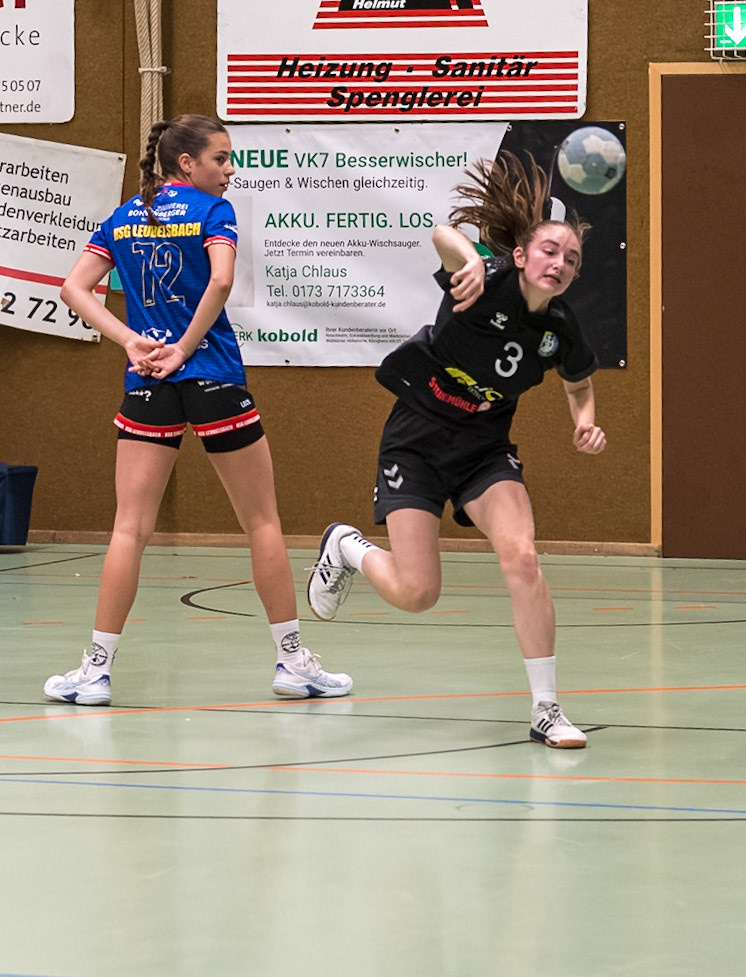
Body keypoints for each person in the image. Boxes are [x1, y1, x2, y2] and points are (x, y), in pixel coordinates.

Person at [46, 113, 352, 707]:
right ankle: (293, 663)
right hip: (212, 374)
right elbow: (220, 282)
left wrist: (131, 341)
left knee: (128, 528)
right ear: (186, 163)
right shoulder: (214, 212)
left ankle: (95, 672)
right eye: (221, 158)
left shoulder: (122, 217)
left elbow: (73, 289)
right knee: (261, 522)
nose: (230, 170)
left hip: (147, 380)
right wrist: (185, 347)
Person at [305, 151, 605, 750]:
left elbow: (579, 384)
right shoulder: (482, 279)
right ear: (520, 255)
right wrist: (469, 258)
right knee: (418, 593)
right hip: (416, 439)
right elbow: (442, 232)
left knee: (522, 556)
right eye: (550, 250)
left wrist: (586, 422)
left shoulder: (560, 328)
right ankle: (347, 548)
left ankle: (546, 709)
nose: (560, 263)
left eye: (571, 258)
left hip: (484, 449)